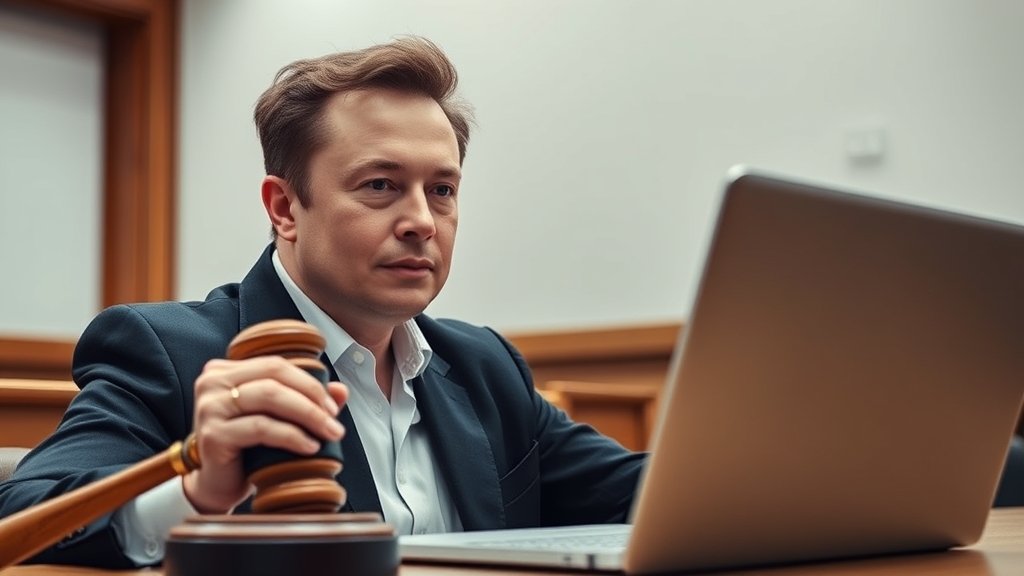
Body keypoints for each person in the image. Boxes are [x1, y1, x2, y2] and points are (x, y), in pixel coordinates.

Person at [0, 37, 646, 568]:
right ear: (285, 208)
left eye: (442, 190)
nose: (422, 220)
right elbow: (24, 515)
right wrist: (194, 487)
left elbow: (649, 497)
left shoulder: (484, 364)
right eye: (380, 185)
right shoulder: (167, 352)